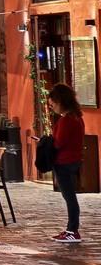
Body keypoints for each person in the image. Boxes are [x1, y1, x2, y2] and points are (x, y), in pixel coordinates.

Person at [47, 83, 87, 244]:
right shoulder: (76, 118)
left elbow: (58, 143)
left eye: (53, 104)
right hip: (73, 160)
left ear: (60, 101)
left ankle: (72, 230)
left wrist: (47, 142)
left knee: (69, 197)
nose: (52, 108)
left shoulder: (66, 121)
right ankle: (71, 229)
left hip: (64, 162)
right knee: (69, 196)